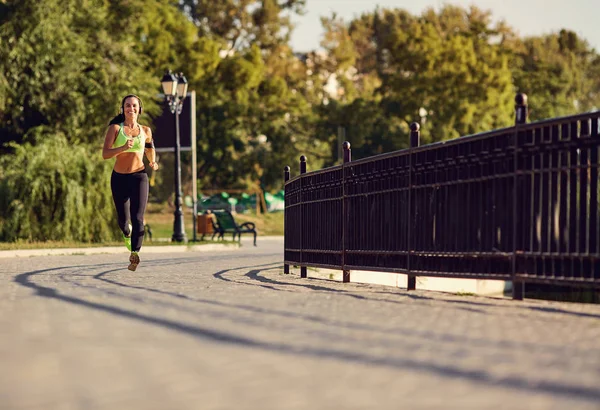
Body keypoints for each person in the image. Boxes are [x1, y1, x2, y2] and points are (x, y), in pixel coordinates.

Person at [102, 94, 159, 271]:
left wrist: (153, 161)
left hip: (139, 176)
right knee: (124, 221)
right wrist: (122, 148)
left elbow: (150, 147)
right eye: (128, 105)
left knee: (138, 218)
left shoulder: (146, 130)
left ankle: (135, 254)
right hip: (119, 178)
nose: (131, 109)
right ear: (123, 109)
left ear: (139, 109)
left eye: (134, 106)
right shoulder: (115, 129)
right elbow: (105, 154)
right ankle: (127, 234)